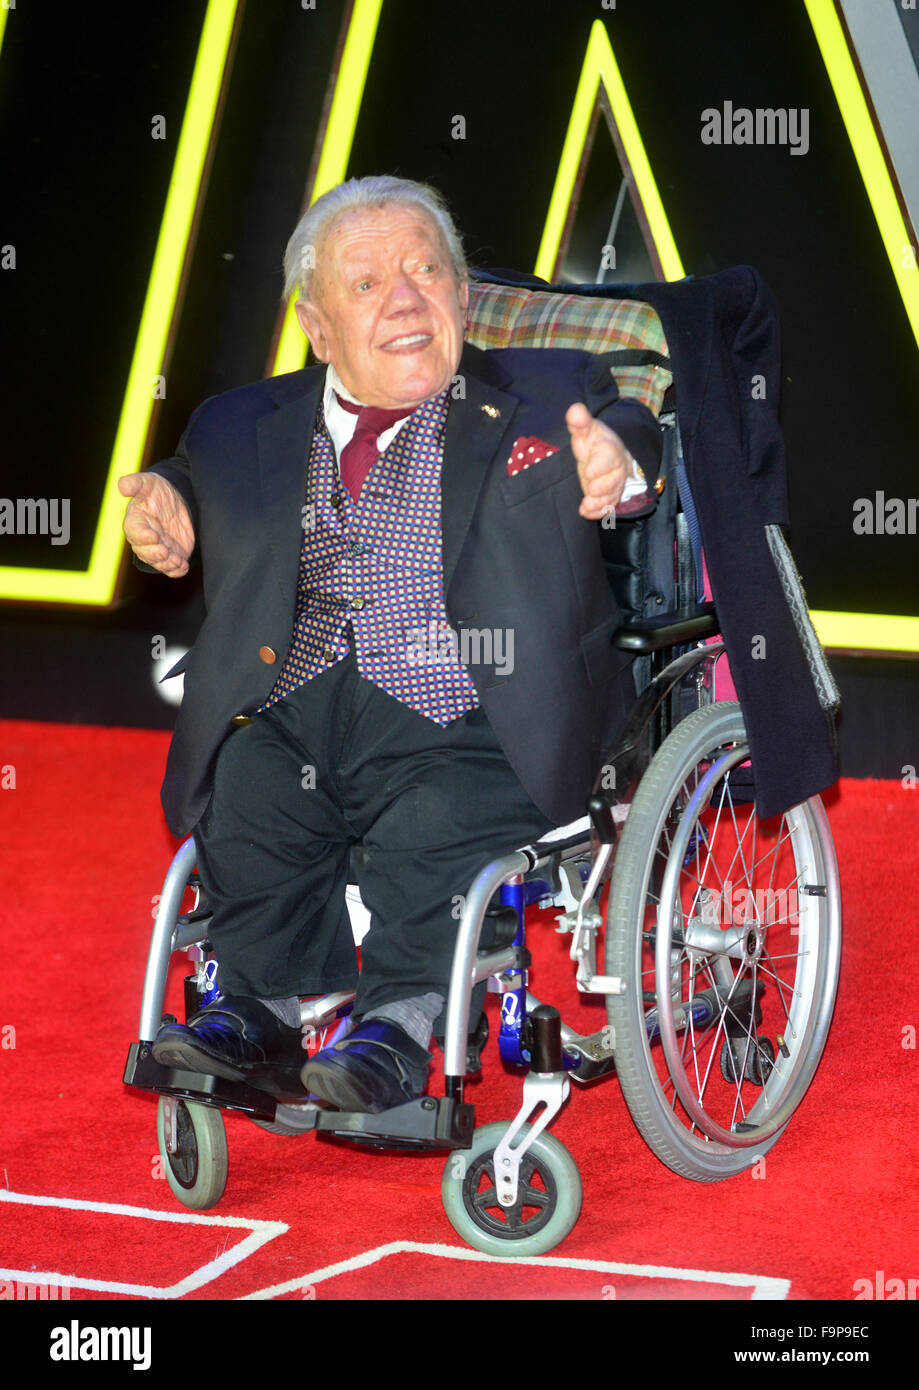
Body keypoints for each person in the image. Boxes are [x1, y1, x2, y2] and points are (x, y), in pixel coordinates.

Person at [118, 175, 662, 1114]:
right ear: (317, 329)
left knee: (434, 820)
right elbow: (198, 478)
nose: (405, 299)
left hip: (482, 711)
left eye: (425, 271)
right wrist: (170, 502)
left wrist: (619, 469)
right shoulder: (241, 420)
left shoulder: (547, 392)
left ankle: (401, 1024)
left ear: (459, 294)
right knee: (247, 787)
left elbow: (627, 429)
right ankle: (259, 1003)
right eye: (366, 284)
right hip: (302, 707)